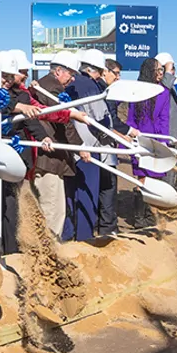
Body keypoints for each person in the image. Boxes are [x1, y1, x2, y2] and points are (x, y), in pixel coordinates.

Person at [0, 51, 47, 253]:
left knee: (9, 207)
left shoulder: (20, 96)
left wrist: (43, 138)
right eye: (4, 76)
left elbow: (30, 121)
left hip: (12, 158)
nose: (7, 81)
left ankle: (11, 252)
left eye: (10, 77)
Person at [30, 51, 88, 238]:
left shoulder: (42, 85)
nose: (72, 79)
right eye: (70, 74)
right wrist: (80, 147)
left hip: (43, 157)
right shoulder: (52, 88)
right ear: (58, 71)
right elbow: (64, 120)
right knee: (53, 209)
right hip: (49, 158)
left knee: (47, 206)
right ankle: (49, 250)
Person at [63, 49, 110, 241]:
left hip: (68, 147)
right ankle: (85, 239)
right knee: (87, 194)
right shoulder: (91, 86)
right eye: (100, 71)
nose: (101, 75)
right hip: (88, 147)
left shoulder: (68, 85)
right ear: (92, 69)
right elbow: (100, 119)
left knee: (69, 195)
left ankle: (67, 237)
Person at [127, 57, 171, 223]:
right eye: (158, 70)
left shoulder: (163, 92)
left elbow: (164, 118)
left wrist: (163, 140)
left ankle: (151, 217)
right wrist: (132, 136)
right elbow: (131, 117)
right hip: (139, 139)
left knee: (156, 178)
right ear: (149, 71)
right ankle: (138, 219)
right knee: (142, 178)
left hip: (156, 139)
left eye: (162, 70)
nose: (161, 73)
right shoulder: (137, 90)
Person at [97, 57, 138, 234]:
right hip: (100, 145)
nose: (118, 78)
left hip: (108, 142)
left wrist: (126, 133)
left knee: (109, 186)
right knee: (107, 186)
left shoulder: (107, 90)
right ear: (105, 71)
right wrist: (125, 134)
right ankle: (107, 228)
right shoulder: (101, 91)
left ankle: (107, 225)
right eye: (116, 74)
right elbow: (108, 120)